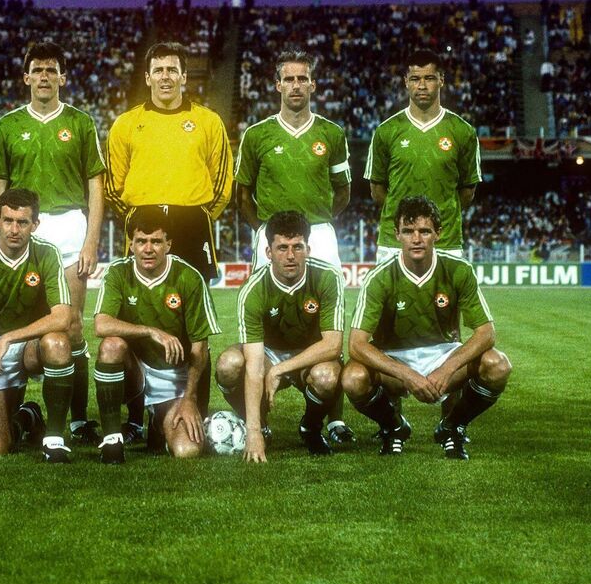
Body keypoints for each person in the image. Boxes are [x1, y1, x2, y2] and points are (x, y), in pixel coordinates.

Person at [0, 42, 104, 447]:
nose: (43, 77)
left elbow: (95, 185)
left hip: (70, 224)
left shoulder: (81, 122)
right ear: (25, 77)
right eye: (36, 70)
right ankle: (10, 406)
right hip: (21, 228)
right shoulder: (6, 125)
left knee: (71, 327)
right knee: (15, 320)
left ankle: (77, 420)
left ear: (62, 78)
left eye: (51, 70)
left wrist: (91, 240)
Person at [341, 196, 512, 459]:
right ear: (397, 234)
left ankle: (452, 426)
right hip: (395, 358)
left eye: (424, 231)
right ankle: (394, 427)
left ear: (438, 234)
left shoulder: (458, 270)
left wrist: (446, 369)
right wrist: (408, 375)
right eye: (408, 231)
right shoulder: (379, 277)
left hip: (443, 353)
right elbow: (356, 344)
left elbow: (486, 332)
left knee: (498, 365)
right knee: (353, 378)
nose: (416, 239)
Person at [0, 188, 75, 462]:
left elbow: (63, 317)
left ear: (35, 224)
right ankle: (27, 417)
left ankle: (54, 439)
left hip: (28, 345)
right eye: (7, 220)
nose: (14, 229)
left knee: (58, 342)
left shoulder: (46, 253)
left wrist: (9, 337)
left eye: (22, 222)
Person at [214, 211, 346, 462]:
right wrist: (253, 433)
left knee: (327, 376)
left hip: (311, 354)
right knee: (228, 365)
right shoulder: (253, 289)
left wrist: (280, 370)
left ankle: (311, 427)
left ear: (308, 248)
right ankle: (259, 424)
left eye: (297, 247)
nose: (290, 255)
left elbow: (332, 345)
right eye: (282, 247)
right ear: (268, 252)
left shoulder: (328, 277)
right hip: (267, 354)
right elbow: (253, 365)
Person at [92, 206, 220, 464]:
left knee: (187, 451)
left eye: (156, 241)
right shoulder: (118, 272)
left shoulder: (188, 277)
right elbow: (101, 325)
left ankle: (158, 422)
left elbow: (200, 347)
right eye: (141, 241)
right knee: (111, 347)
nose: (148, 249)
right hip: (137, 369)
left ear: (168, 244)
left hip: (175, 376)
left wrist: (189, 398)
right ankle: (113, 438)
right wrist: (151, 331)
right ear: (131, 245)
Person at [104, 41, 233, 286]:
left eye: (172, 70)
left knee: (194, 309)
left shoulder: (209, 121)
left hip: (192, 222)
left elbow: (223, 182)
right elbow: (112, 186)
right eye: (158, 70)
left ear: (184, 76)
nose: (166, 77)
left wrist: (202, 214)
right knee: (142, 306)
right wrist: (134, 219)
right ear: (147, 78)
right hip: (142, 225)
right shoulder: (125, 124)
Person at [235, 49, 350, 268]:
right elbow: (242, 196)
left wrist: (319, 219)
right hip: (272, 232)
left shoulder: (332, 133)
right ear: (278, 85)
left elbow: (344, 192)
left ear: (312, 85)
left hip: (319, 234)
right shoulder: (256, 134)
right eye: (288, 79)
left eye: (302, 79)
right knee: (269, 302)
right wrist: (263, 229)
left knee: (327, 299)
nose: (295, 85)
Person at [365, 48, 481, 263]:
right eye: (415, 79)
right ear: (406, 82)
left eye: (429, 78)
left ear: (441, 81)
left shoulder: (463, 131)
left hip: (445, 242)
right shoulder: (386, 130)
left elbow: (467, 191)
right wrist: (405, 222)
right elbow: (377, 190)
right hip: (394, 243)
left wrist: (438, 221)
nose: (422, 86)